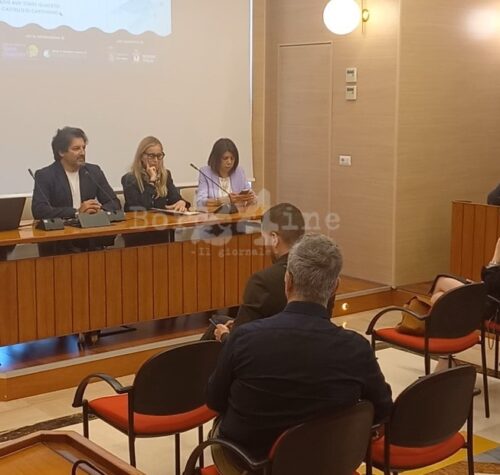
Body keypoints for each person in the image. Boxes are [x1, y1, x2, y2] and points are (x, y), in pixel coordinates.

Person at [207, 234, 393, 474]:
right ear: (335, 287)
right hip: (329, 461)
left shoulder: (244, 338)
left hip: (251, 464)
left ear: (288, 281)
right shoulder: (357, 348)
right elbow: (382, 410)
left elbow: (214, 400)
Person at [204, 202, 305, 342]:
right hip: (304, 341)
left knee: (217, 327)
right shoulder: (319, 273)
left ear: (274, 239)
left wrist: (224, 336)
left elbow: (240, 342)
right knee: (220, 320)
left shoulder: (262, 281)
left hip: (268, 347)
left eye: (264, 238)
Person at [32, 127, 121, 219]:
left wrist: (99, 210)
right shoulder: (45, 175)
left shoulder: (93, 171)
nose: (82, 153)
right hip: (63, 226)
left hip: (91, 224)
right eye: (76, 148)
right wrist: (76, 212)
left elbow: (114, 202)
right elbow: (39, 210)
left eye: (84, 148)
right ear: (61, 152)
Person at [121, 136, 188, 212]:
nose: (156, 160)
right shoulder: (129, 179)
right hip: (138, 219)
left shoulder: (165, 175)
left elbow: (175, 198)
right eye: (151, 156)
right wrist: (152, 181)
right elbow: (139, 208)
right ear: (141, 157)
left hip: (161, 218)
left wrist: (181, 202)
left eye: (159, 156)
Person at [196, 138, 256, 208]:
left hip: (238, 214)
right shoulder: (205, 173)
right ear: (216, 158)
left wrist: (251, 199)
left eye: (232, 158)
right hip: (214, 215)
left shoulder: (239, 172)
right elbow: (200, 202)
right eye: (225, 158)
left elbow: (250, 197)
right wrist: (221, 201)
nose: (229, 162)